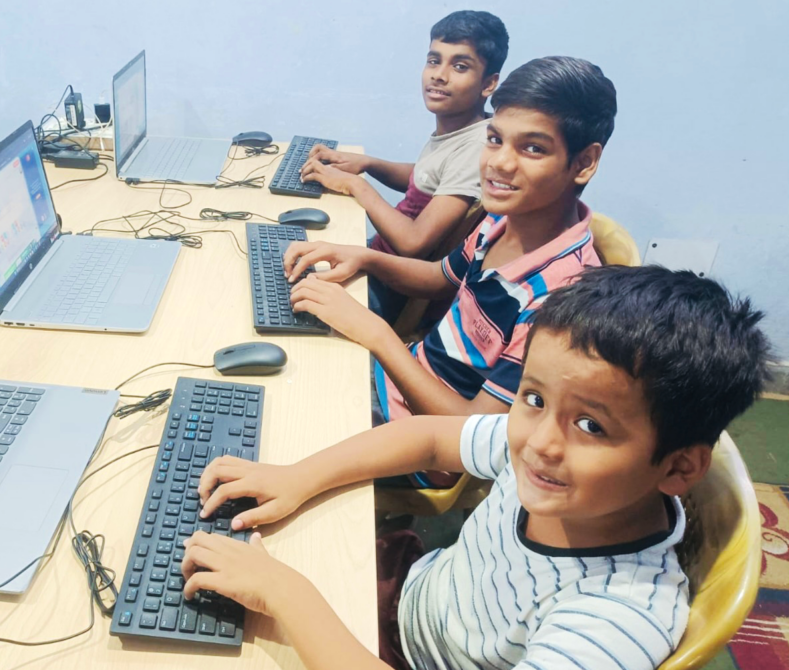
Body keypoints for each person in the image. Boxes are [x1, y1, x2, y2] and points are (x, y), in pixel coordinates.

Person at [180, 265, 772, 670]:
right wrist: (295, 477)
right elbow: (435, 437)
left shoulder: (616, 618)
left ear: (677, 469)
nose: (539, 442)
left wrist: (289, 595)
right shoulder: (556, 468)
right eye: (533, 397)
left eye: (591, 426)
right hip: (415, 592)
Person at [286, 57, 616, 438]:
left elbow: (473, 431)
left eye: (533, 149)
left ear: (584, 162)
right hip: (400, 377)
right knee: (286, 355)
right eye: (494, 140)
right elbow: (437, 277)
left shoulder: (559, 304)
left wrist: (376, 335)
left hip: (422, 437)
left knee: (286, 414)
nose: (500, 164)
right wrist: (364, 257)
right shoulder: (502, 219)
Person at [298, 11, 509, 324]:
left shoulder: (476, 147)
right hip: (376, 258)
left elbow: (412, 244)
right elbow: (427, 178)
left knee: (288, 295)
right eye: (434, 61)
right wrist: (370, 164)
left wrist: (355, 185)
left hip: (388, 285)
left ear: (488, 83)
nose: (439, 75)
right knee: (288, 256)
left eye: (460, 66)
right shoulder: (459, 129)